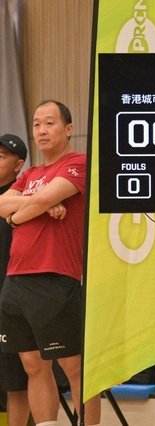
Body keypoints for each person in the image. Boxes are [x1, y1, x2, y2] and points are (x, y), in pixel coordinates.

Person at [0, 101, 101, 425]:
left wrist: (17, 216)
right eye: (36, 124)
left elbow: (41, 199)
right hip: (16, 279)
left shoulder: (78, 162)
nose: (41, 130)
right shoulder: (29, 174)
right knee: (32, 365)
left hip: (55, 277)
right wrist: (39, 204)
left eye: (49, 123)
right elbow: (2, 203)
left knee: (74, 366)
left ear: (68, 129)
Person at [0, 134, 30, 426]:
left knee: (16, 382)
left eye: (0, 157)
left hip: (11, 300)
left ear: (18, 165)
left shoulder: (25, 199)